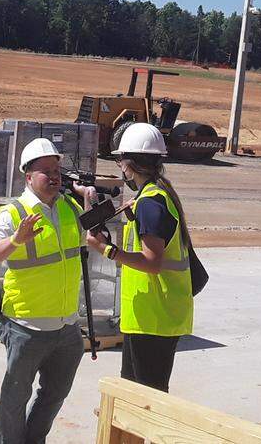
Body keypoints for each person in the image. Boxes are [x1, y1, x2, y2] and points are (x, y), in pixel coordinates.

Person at [0, 138, 94, 444]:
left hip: (67, 325)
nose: (54, 176)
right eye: (45, 170)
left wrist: (90, 200)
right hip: (26, 325)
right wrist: (16, 240)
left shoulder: (70, 207)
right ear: (28, 177)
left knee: (55, 394)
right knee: (15, 396)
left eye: (56, 169)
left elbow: (93, 236)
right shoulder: (15, 212)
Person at [85, 123, 193, 393]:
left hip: (153, 317)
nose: (121, 168)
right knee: (132, 396)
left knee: (148, 400)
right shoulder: (153, 197)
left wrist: (107, 250)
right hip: (150, 315)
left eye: (121, 161)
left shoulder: (150, 203)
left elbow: (152, 262)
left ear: (130, 165)